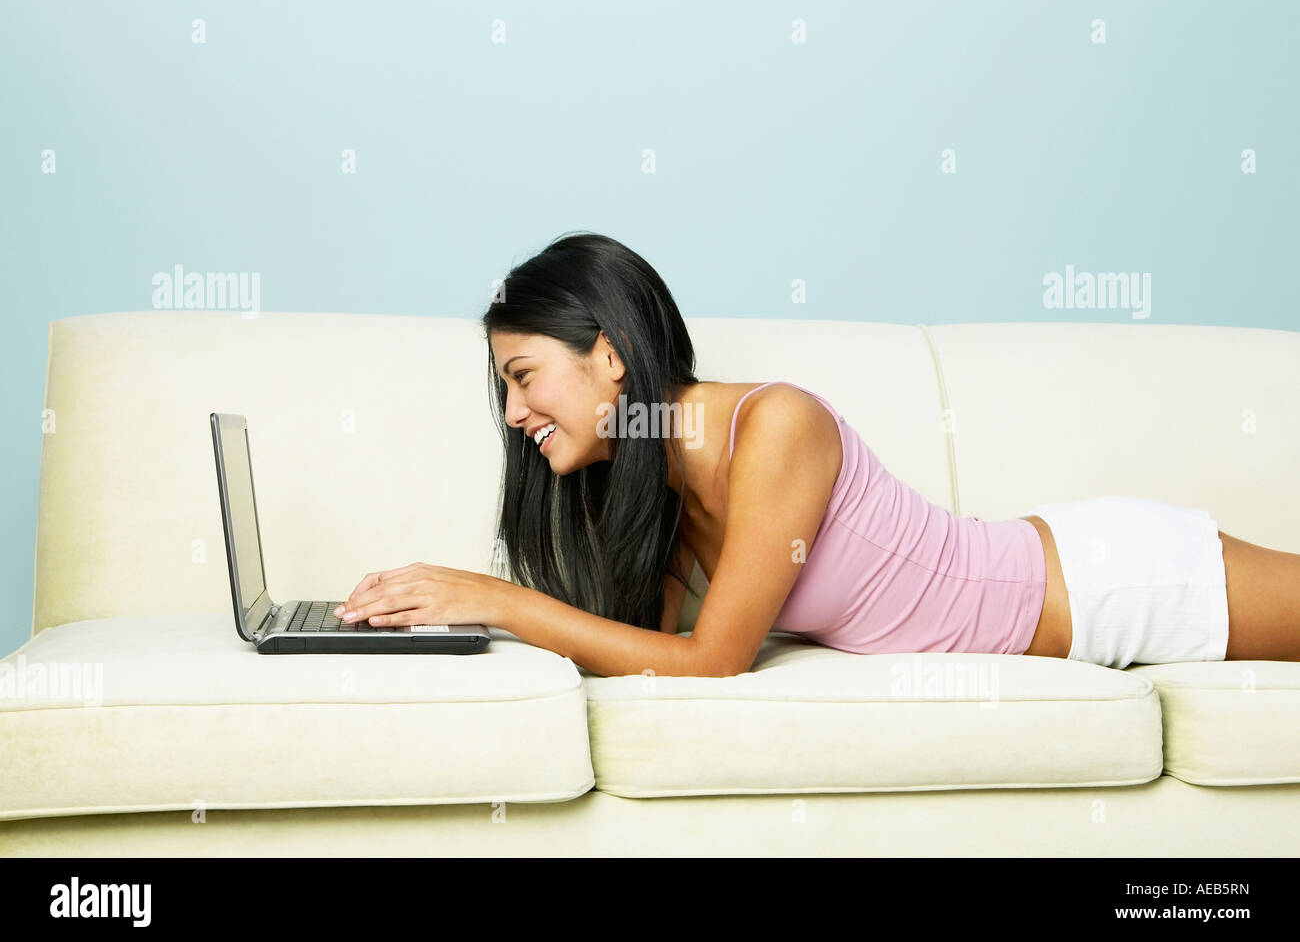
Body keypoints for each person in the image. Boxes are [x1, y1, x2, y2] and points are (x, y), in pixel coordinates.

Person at [337, 232, 1300, 677]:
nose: (512, 412)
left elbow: (713, 662)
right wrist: (459, 630)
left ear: (611, 358)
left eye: (523, 375)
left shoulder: (777, 427)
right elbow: (651, 660)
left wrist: (496, 598)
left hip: (1114, 585)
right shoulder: (660, 487)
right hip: (1083, 602)